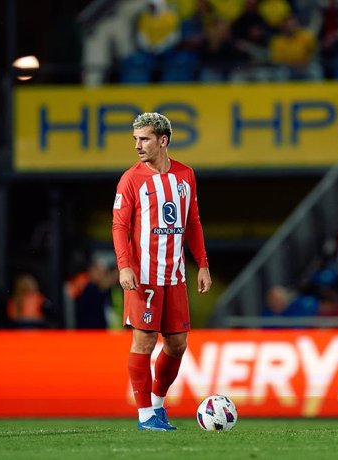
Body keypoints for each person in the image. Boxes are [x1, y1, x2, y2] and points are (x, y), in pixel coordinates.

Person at [112, 112, 212, 431]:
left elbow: (192, 221)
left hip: (176, 275)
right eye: (135, 140)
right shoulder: (131, 179)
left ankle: (157, 405)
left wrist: (203, 265)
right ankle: (145, 416)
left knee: (177, 344)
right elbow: (119, 225)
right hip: (143, 276)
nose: (138, 146)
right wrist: (124, 266)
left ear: (163, 140)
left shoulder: (186, 175)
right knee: (143, 342)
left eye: (144, 139)